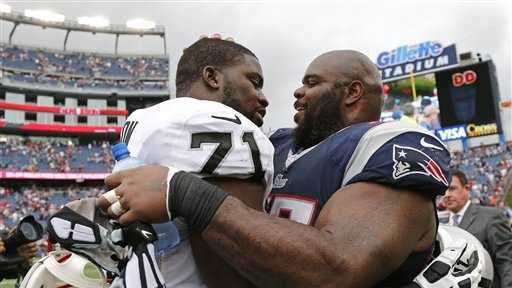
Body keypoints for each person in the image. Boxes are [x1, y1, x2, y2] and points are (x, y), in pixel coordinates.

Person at [104, 50, 452, 287]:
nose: (297, 92)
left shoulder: (388, 142)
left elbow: (339, 268)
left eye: (312, 83)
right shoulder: (278, 144)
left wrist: (184, 193)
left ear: (352, 93)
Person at [98, 37, 274, 288]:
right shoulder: (223, 121)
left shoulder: (143, 117)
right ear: (212, 77)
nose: (263, 97)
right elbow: (233, 257)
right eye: (254, 82)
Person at [443, 169, 512, 288]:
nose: (447, 195)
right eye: (443, 191)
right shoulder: (443, 227)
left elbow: (507, 261)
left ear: (467, 188)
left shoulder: (491, 216)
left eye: (452, 188)